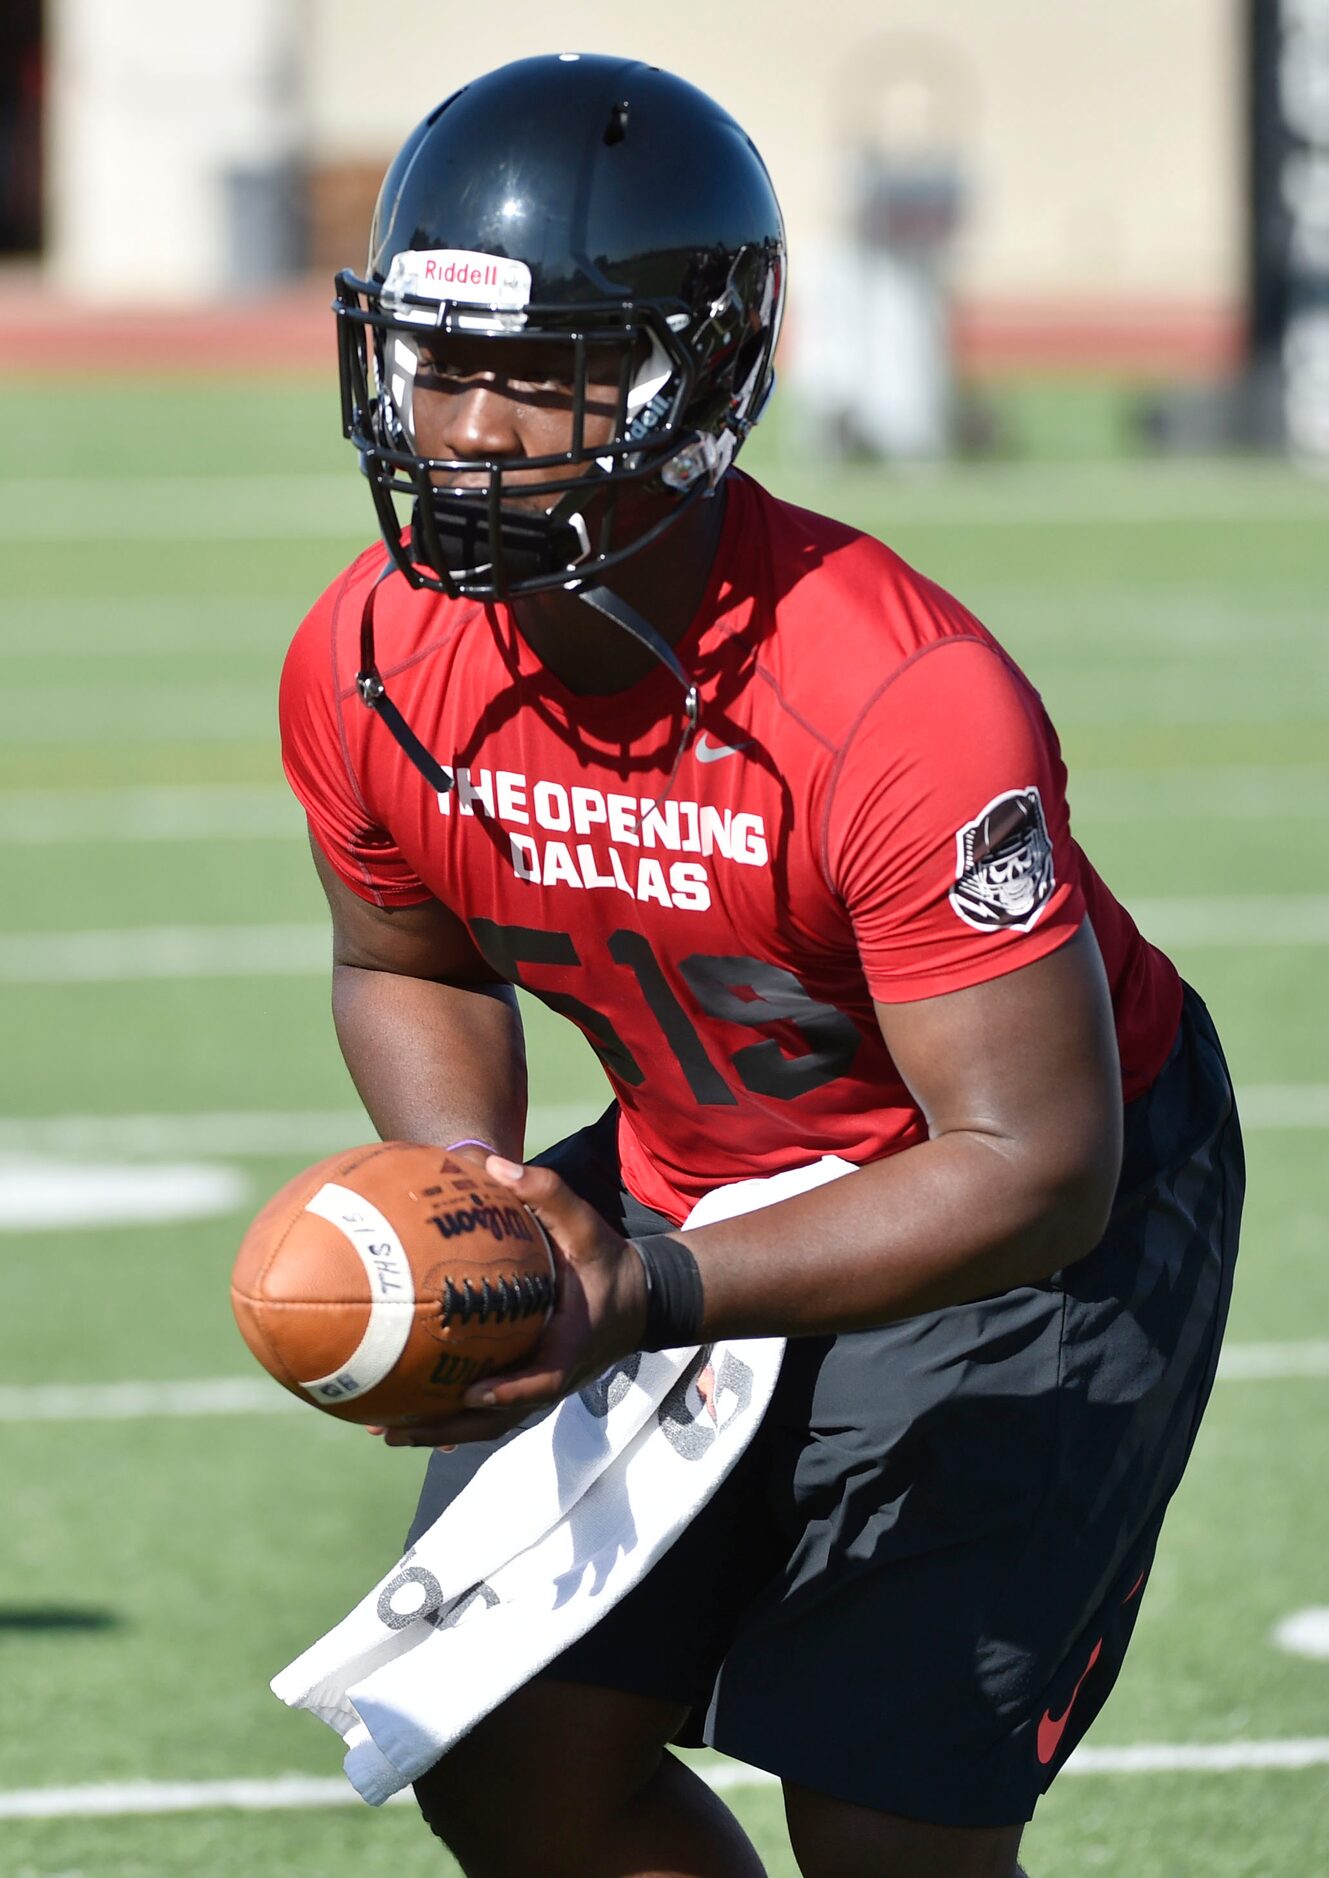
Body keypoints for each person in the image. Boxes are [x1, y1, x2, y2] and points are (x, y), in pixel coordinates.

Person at [279, 52, 1243, 1878]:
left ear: (697, 374)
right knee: (503, 1753)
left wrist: (639, 1286)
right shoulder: (370, 654)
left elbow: (1032, 1160)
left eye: (546, 368)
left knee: (883, 1825)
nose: (473, 428)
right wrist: (470, 1186)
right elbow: (400, 951)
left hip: (1030, 1216)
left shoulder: (893, 694)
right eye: (441, 360)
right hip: (692, 1173)